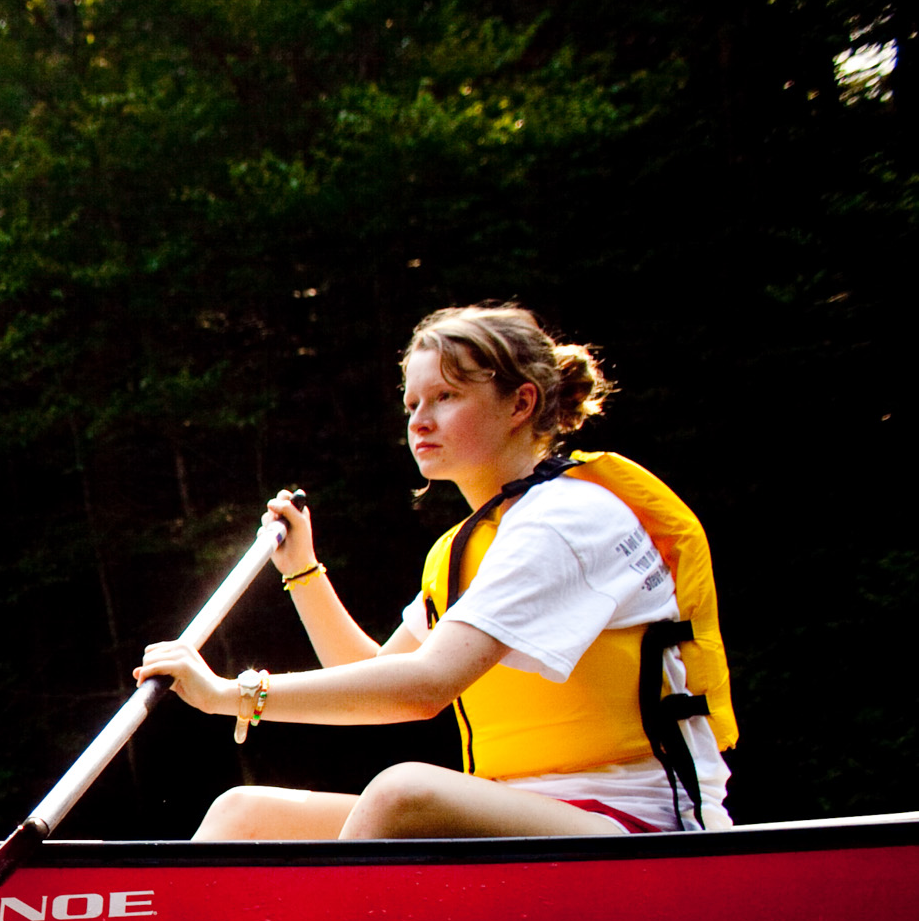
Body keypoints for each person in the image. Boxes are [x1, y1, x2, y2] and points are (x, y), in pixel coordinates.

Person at [136, 305, 736, 839]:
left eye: (446, 397)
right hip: (526, 813)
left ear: (521, 404)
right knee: (248, 812)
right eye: (412, 404)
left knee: (404, 793)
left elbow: (425, 687)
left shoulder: (566, 518)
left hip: (640, 825)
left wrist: (230, 695)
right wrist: (303, 571)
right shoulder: (468, 545)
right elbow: (373, 679)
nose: (420, 421)